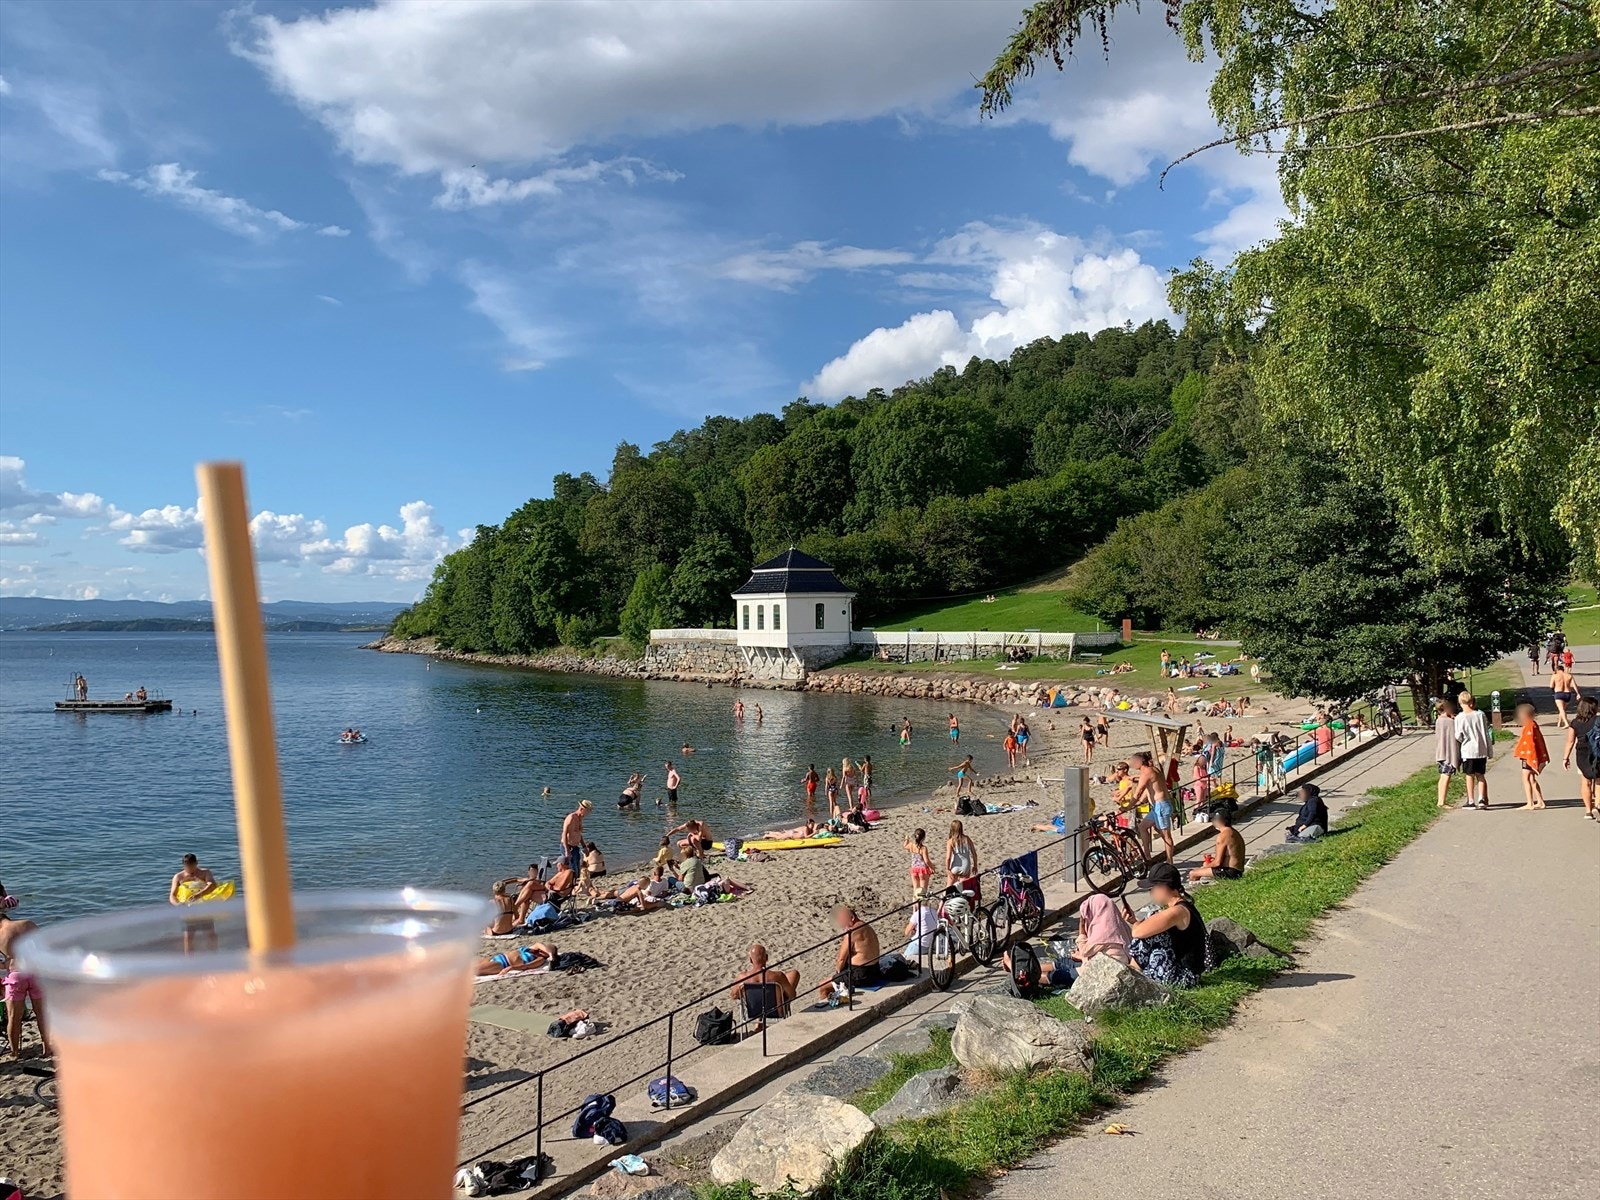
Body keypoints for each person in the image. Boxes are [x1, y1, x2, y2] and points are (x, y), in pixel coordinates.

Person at [1003, 892, 1131, 987]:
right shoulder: (1118, 926)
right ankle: (1024, 967)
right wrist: (1082, 957)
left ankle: (1020, 972)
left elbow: (1085, 950)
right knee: (1063, 962)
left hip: (1100, 974)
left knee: (1057, 976)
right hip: (1098, 965)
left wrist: (1081, 927)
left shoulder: (1104, 933)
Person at [1119, 863, 1208, 988]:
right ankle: (1132, 972)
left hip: (1186, 976)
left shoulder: (1177, 912)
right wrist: (1134, 921)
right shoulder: (1183, 906)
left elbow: (1138, 932)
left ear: (1163, 887)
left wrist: (1137, 924)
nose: (1151, 893)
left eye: (1152, 888)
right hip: (1185, 972)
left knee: (1149, 930)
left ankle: (1132, 973)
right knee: (1150, 927)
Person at [0, 883, 52, 1056]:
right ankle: (47, 1047)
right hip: (34, 972)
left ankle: (15, 1052)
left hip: (15, 976)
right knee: (41, 1014)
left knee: (14, 1018)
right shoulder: (27, 924)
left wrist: (6, 964)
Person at [817, 905, 881, 998]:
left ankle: (826, 1009)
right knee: (836, 981)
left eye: (842, 921)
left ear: (852, 918)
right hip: (875, 969)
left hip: (860, 975)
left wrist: (838, 974)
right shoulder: (866, 926)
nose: (841, 924)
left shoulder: (852, 932)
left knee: (823, 986)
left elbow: (841, 959)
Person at [731, 944, 799, 1019]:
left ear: (750, 960)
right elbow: (792, 995)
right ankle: (761, 1022)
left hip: (752, 1013)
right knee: (793, 975)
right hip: (777, 1013)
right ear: (766, 958)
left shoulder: (742, 978)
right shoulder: (778, 976)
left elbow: (734, 996)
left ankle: (759, 1024)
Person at [1130, 751, 1175, 864]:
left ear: (1140, 762)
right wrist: (1139, 802)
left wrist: (1127, 807)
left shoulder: (1147, 772)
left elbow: (1138, 791)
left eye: (1133, 762)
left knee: (1165, 835)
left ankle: (1170, 862)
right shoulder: (1153, 769)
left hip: (1161, 805)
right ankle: (1147, 856)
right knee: (1142, 827)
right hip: (1157, 806)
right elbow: (1148, 789)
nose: (1132, 764)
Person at [1562, 697, 1599, 820]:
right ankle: (1598, 805)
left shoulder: (1575, 723)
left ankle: (1588, 811)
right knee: (1599, 781)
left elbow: (1570, 741)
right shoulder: (1598, 720)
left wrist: (1565, 758)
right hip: (1598, 752)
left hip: (1582, 754)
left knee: (1586, 781)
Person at [1456, 691, 1493, 809]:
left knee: (1469, 775)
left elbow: (1458, 735)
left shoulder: (1459, 717)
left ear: (1460, 703)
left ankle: (1471, 800)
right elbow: (1485, 731)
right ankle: (1481, 798)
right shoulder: (1480, 715)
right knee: (1480, 775)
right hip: (1481, 749)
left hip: (1468, 749)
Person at [1512, 701, 1549, 810]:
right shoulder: (1533, 724)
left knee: (1526, 778)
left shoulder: (1529, 726)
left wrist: (1528, 756)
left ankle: (1530, 803)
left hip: (1529, 756)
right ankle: (1540, 801)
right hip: (1531, 755)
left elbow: (1530, 744)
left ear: (1524, 715)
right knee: (1532, 778)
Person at [475, 941, 558, 977]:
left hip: (502, 964)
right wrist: (550, 953)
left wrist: (511, 968)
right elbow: (539, 944)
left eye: (545, 952)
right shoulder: (533, 948)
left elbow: (526, 966)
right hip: (497, 957)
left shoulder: (540, 959)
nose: (541, 951)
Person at [1434, 697, 1461, 807]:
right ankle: (1441, 802)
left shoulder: (1439, 720)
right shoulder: (1449, 722)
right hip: (1448, 753)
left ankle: (1441, 800)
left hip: (1441, 752)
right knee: (1446, 775)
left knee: (1443, 775)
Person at [945, 819, 979, 899]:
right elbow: (974, 854)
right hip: (966, 866)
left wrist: (947, 869)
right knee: (963, 889)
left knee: (948, 888)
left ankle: (941, 909)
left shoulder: (951, 841)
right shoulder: (967, 839)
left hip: (955, 866)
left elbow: (948, 857)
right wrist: (975, 865)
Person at [561, 801, 591, 875]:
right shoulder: (571, 818)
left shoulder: (580, 819)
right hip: (568, 846)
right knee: (572, 869)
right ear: (581, 809)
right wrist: (566, 850)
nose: (587, 814)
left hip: (575, 847)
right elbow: (564, 834)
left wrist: (584, 846)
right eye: (587, 811)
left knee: (577, 869)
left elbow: (579, 834)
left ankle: (575, 884)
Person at [1550, 659, 1579, 729]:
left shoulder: (1554, 676)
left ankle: (1566, 723)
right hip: (1567, 694)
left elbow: (1551, 686)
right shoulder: (1569, 675)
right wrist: (1578, 693)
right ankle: (1559, 722)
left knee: (1561, 709)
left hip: (1558, 693)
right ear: (1563, 669)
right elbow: (1574, 685)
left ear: (1557, 670)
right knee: (1562, 709)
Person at [904, 827, 933, 899]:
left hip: (914, 869)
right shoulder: (923, 848)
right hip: (923, 870)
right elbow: (926, 861)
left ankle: (915, 908)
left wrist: (906, 839)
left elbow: (904, 846)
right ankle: (922, 907)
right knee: (923, 891)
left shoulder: (911, 845)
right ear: (923, 838)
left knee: (915, 890)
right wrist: (932, 867)